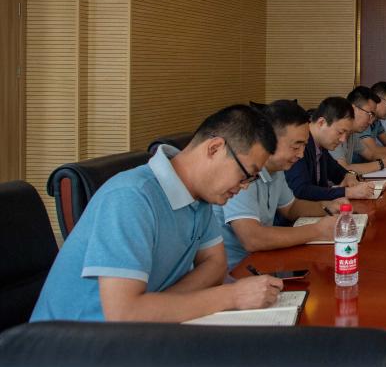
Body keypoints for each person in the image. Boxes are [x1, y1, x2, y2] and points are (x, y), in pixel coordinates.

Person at [31, 105, 283, 322]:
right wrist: (232, 296)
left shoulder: (201, 196)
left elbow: (215, 265)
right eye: (246, 175)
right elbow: (124, 314)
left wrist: (158, 306)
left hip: (136, 336)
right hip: (71, 347)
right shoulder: (131, 196)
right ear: (215, 148)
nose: (244, 186)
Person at [216, 100, 348, 270]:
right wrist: (317, 231)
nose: (301, 155)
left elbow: (290, 208)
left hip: (264, 261)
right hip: (236, 271)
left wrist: (327, 206)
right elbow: (252, 238)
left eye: (304, 146)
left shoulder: (276, 169)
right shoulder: (244, 173)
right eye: (296, 147)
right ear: (270, 140)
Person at [283, 96, 374, 201]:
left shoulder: (320, 146)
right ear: (321, 123)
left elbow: (336, 171)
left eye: (346, 133)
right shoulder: (299, 145)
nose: (343, 139)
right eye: (340, 132)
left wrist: (349, 175)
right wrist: (348, 192)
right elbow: (301, 190)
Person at [330, 86, 386, 174]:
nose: (371, 121)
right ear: (353, 109)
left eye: (373, 115)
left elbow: (371, 155)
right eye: (369, 114)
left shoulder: (353, 133)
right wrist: (384, 163)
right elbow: (344, 169)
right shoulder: (336, 131)